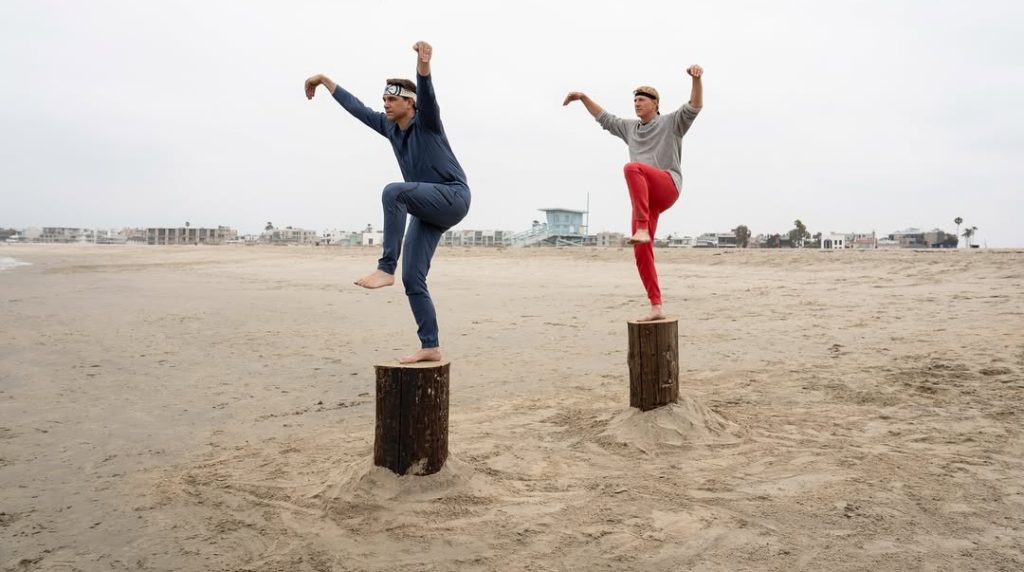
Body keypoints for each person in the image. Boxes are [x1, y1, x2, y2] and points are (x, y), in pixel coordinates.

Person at [305, 41, 470, 363]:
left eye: (392, 99)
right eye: (384, 99)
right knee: (413, 278)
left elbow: (428, 92)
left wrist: (423, 65)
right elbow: (357, 108)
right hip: (428, 208)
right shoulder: (389, 127)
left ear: (410, 103)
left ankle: (385, 267)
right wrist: (326, 81)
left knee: (393, 191)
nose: (385, 105)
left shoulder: (428, 123)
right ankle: (430, 345)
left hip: (453, 196)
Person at [562, 66, 704, 322]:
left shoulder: (671, 123)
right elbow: (605, 118)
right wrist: (583, 98)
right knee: (641, 250)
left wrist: (697, 79)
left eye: (642, 100)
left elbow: (695, 105)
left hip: (667, 185)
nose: (637, 104)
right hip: (646, 200)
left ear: (655, 104)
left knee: (631, 167)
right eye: (635, 100)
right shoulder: (630, 129)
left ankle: (641, 229)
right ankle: (656, 305)